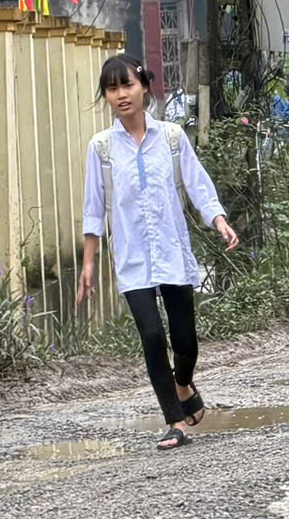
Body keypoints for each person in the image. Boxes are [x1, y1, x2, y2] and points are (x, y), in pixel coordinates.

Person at [77, 55, 239, 451]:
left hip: (172, 252)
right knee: (152, 336)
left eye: (127, 85)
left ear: (144, 86)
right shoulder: (101, 148)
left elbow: (197, 183)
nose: (121, 95)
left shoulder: (171, 137)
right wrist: (89, 262)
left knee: (185, 341)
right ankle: (175, 420)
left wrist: (218, 219)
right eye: (112, 89)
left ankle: (183, 385)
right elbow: (94, 208)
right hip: (132, 258)